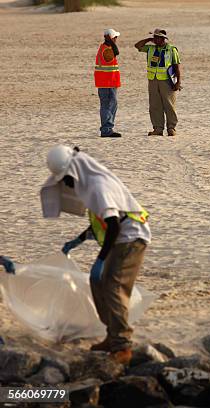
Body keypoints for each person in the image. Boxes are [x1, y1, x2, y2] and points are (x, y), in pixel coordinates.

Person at [40, 145, 151, 364]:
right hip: (121, 238)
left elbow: (114, 226)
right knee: (97, 282)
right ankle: (112, 336)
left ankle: (122, 345)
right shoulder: (89, 183)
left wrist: (100, 260)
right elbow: (103, 222)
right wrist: (79, 240)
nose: (67, 184)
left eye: (66, 180)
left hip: (131, 238)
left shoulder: (98, 186)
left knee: (113, 286)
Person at [134, 29, 182, 136]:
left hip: (167, 81)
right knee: (155, 106)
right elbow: (137, 46)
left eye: (158, 38)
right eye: (154, 37)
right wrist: (148, 39)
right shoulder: (150, 48)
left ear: (163, 39)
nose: (156, 40)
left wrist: (178, 82)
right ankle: (158, 129)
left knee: (169, 105)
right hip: (153, 80)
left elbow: (176, 66)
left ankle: (171, 128)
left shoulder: (171, 49)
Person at [94, 29, 122, 138]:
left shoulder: (105, 48)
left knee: (109, 105)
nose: (116, 40)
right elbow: (117, 52)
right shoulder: (106, 50)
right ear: (110, 38)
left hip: (107, 82)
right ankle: (107, 129)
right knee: (109, 105)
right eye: (115, 38)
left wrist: (110, 41)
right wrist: (110, 41)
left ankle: (107, 128)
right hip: (107, 83)